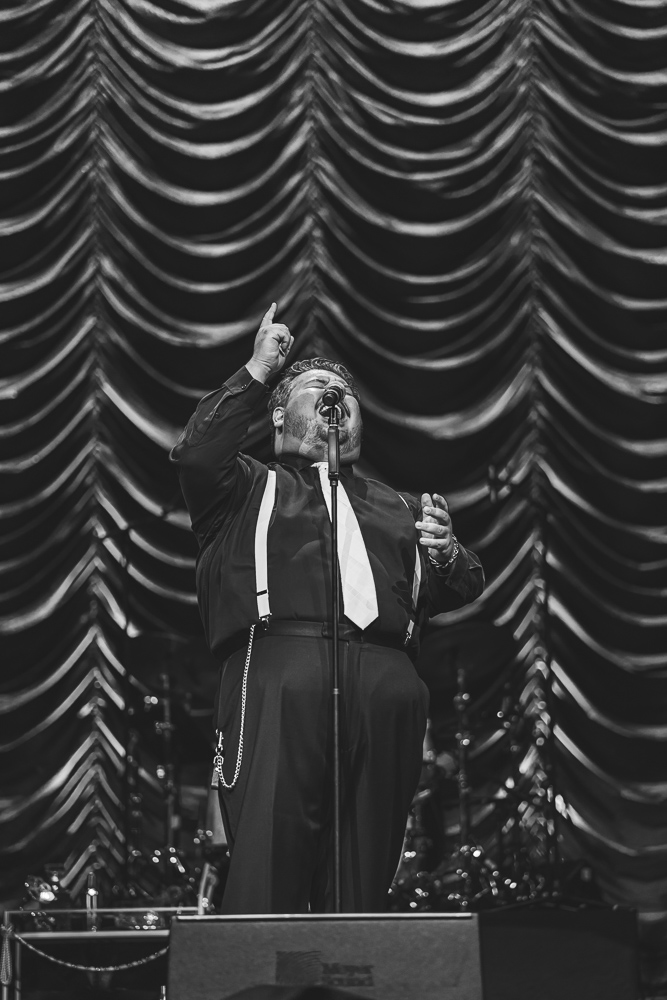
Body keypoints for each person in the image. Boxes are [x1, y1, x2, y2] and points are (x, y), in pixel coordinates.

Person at [170, 304, 484, 913]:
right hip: (282, 666)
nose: (336, 393)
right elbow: (196, 454)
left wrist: (446, 555)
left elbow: (461, 586)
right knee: (272, 866)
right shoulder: (247, 486)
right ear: (280, 415)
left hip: (387, 679)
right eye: (317, 388)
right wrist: (260, 367)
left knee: (361, 881)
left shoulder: (394, 504)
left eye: (345, 391)